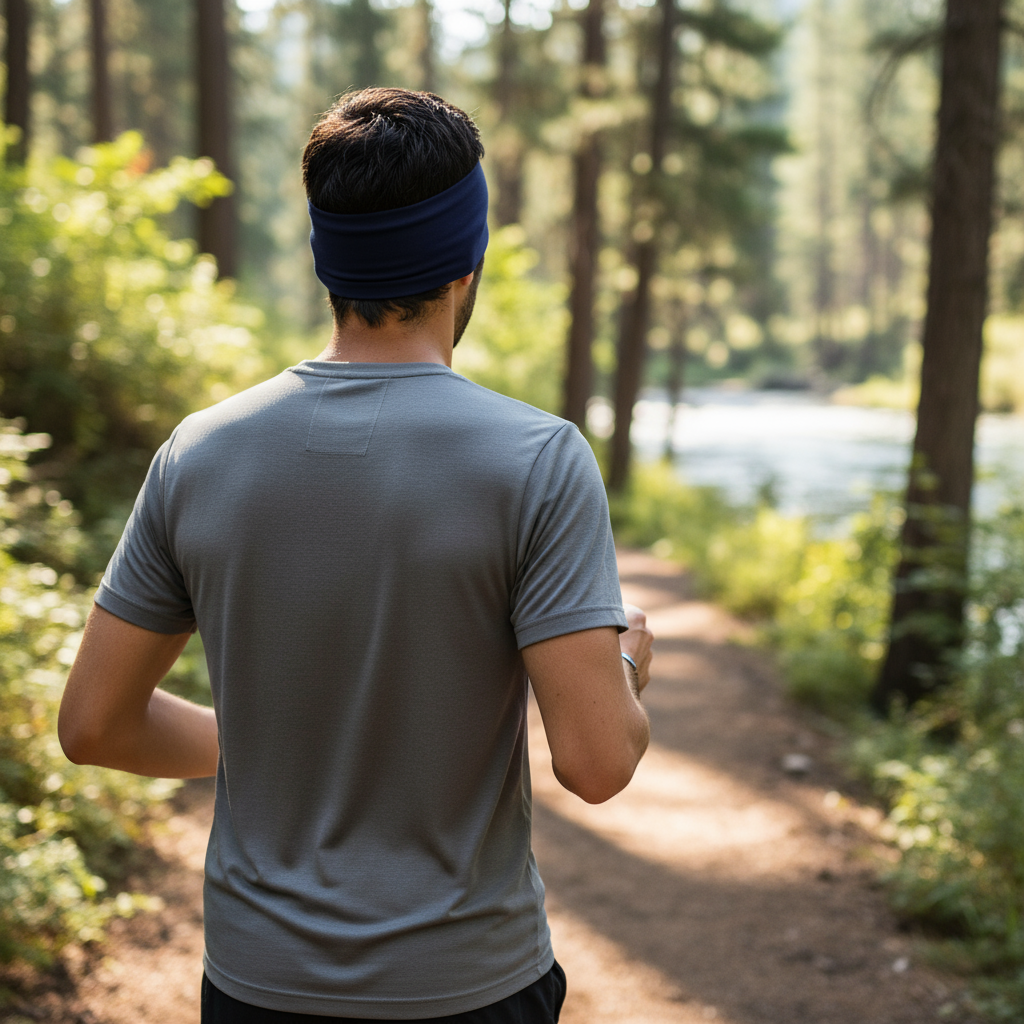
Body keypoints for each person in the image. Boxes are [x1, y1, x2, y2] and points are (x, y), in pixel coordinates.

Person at [58, 87, 653, 1023]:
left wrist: (270, 746)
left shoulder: (201, 451)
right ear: (469, 259)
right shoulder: (537, 460)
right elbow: (596, 763)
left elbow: (94, 725)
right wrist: (624, 662)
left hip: (255, 986)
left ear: (326, 259)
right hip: (468, 987)